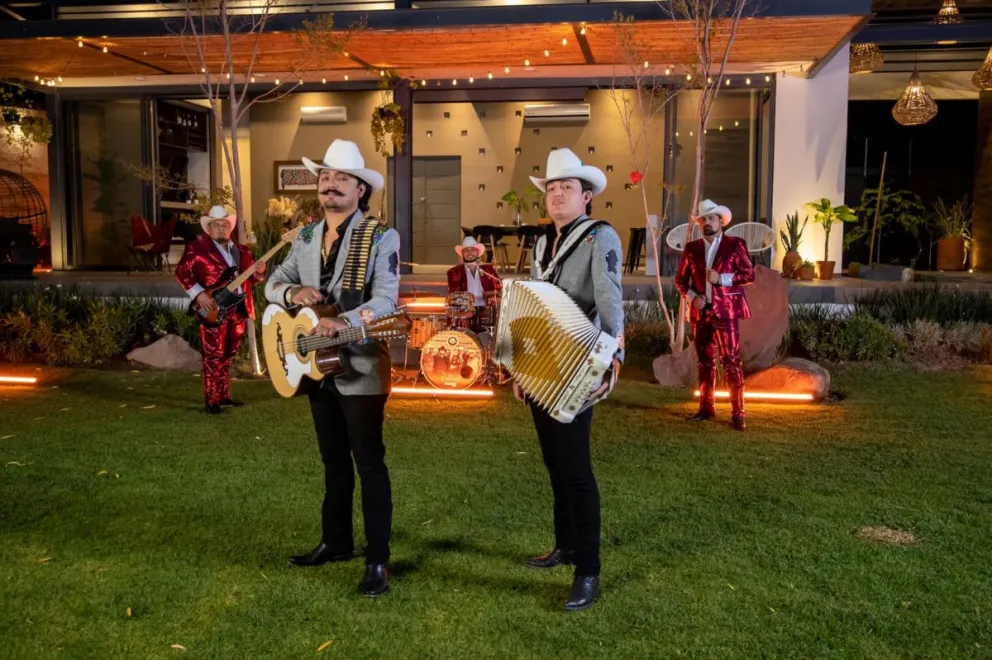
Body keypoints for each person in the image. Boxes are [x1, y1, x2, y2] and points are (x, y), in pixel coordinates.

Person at [264, 139, 400, 597]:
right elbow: (274, 283)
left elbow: (386, 300)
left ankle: (378, 560)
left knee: (369, 464)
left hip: (360, 365)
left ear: (361, 190)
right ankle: (336, 541)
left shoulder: (381, 236)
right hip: (315, 365)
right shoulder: (304, 237)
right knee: (331, 462)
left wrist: (342, 319)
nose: (330, 184)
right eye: (325, 177)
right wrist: (292, 296)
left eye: (341, 178)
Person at [515, 147, 624, 612]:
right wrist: (519, 366)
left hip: (579, 363)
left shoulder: (600, 237)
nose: (557, 194)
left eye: (567, 188)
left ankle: (589, 570)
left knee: (576, 469)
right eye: (552, 188)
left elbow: (610, 299)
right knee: (554, 464)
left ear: (587, 197)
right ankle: (566, 546)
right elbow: (533, 305)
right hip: (542, 363)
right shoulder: (544, 243)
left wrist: (615, 353)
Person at [175, 205, 266, 415]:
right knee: (213, 356)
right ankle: (211, 400)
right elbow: (182, 273)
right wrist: (199, 294)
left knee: (228, 354)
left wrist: (259, 273)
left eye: (224, 225)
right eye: (216, 225)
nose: (221, 229)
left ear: (230, 227)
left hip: (238, 309)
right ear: (209, 229)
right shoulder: (196, 249)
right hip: (213, 308)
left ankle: (224, 396)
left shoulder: (243, 251)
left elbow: (250, 279)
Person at [674, 199, 755, 431]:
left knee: (731, 362)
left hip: (726, 312)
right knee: (705, 363)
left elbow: (748, 274)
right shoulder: (692, 249)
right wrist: (692, 296)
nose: (706, 222)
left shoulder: (735, 244)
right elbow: (680, 280)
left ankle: (738, 413)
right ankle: (706, 408)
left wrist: (723, 279)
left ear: (721, 221)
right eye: (702, 219)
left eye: (710, 218)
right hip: (702, 313)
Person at [446, 236, 501, 332]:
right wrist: (466, 311)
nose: (470, 253)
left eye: (473, 250)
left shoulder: (488, 270)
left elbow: (498, 289)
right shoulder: (454, 272)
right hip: (465, 313)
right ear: (462, 253)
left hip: (485, 311)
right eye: (466, 251)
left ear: (478, 253)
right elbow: (454, 295)